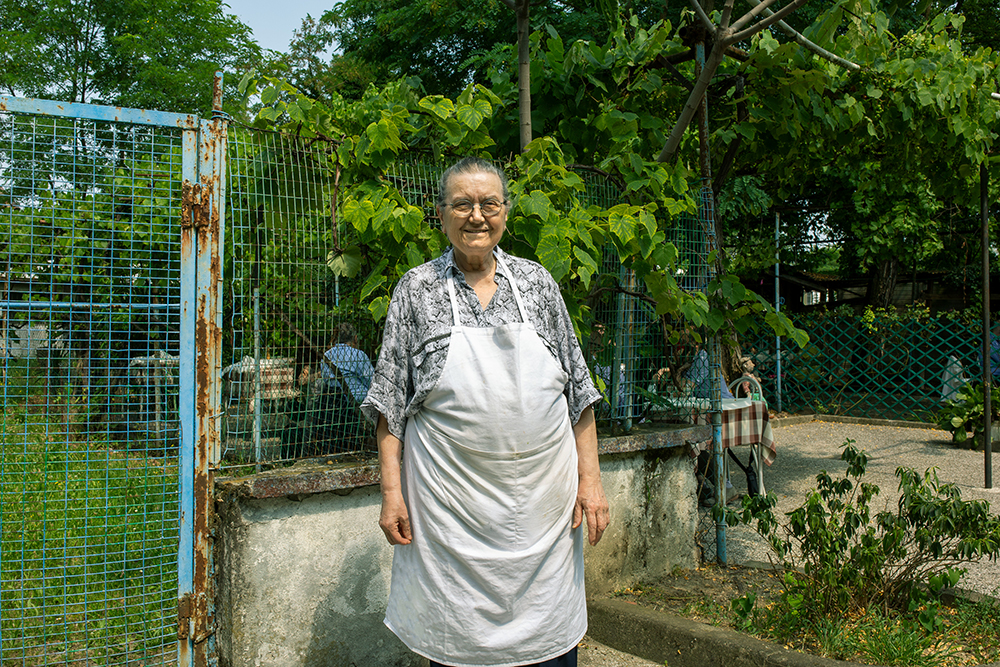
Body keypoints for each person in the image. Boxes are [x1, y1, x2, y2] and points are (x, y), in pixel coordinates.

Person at [360, 157, 610, 667]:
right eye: (462, 204)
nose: (477, 215)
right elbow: (389, 403)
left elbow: (579, 394)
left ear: (505, 212)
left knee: (550, 649)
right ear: (441, 213)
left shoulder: (538, 285)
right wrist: (391, 494)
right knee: (459, 648)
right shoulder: (417, 289)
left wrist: (592, 482)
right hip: (452, 517)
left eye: (489, 203)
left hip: (544, 515)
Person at [322, 323, 374, 403]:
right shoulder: (358, 355)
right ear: (355, 338)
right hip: (356, 402)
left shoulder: (327, 355)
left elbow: (326, 380)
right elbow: (371, 381)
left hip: (332, 401)